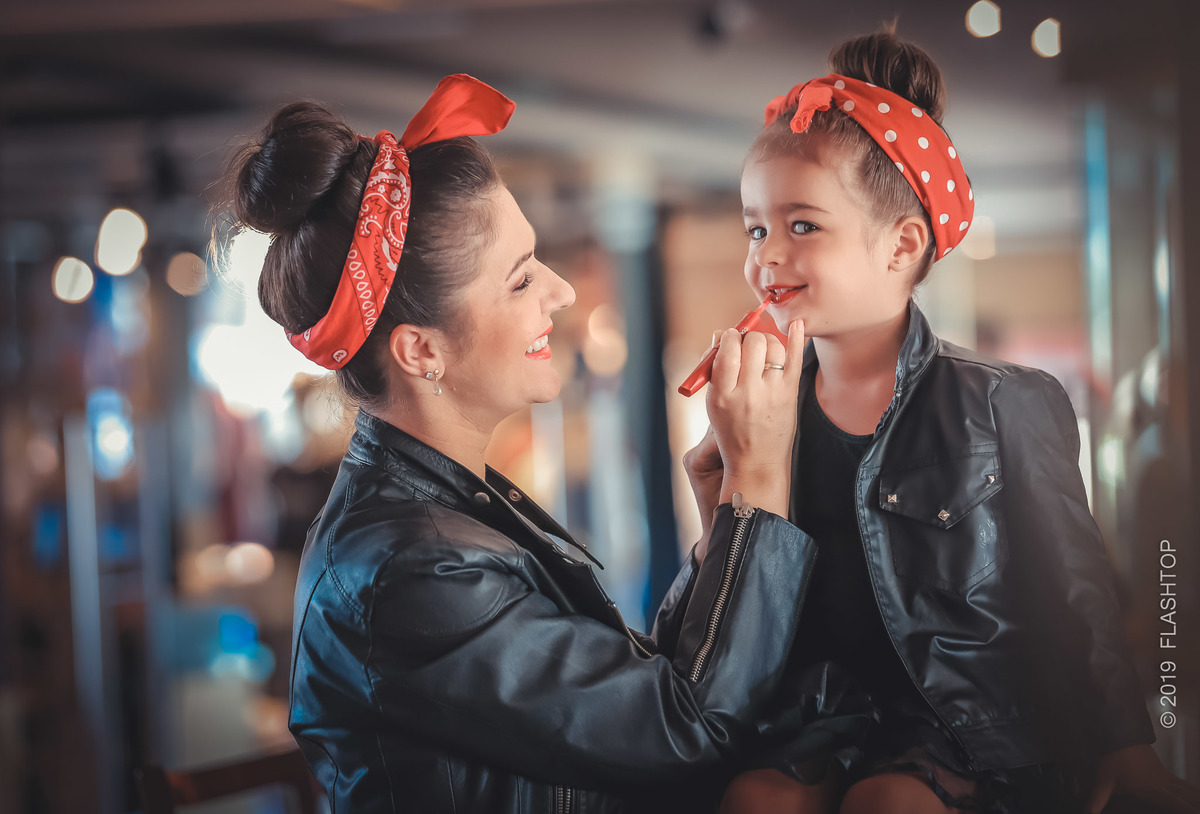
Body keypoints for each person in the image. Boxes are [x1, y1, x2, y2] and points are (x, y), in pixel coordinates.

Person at [221, 73, 815, 814]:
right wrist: (758, 479)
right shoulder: (408, 570)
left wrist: (727, 524)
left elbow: (628, 687)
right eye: (520, 279)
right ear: (420, 351)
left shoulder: (440, 507)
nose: (562, 293)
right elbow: (685, 728)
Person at [716, 28, 1200, 814]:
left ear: (903, 246)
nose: (767, 257)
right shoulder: (766, 409)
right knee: (752, 799)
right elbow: (729, 621)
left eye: (802, 226)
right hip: (820, 714)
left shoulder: (1004, 400)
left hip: (968, 723)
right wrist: (728, 487)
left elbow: (1077, 589)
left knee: (889, 806)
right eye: (756, 228)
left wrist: (1132, 747)